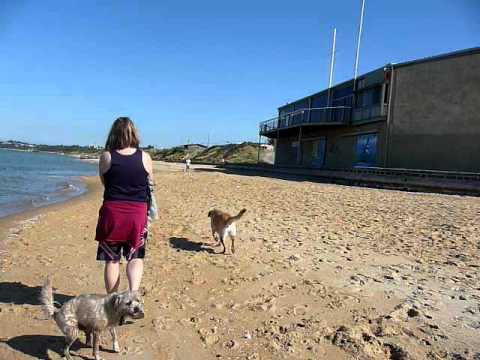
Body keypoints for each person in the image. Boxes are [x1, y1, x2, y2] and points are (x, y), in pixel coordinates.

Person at [95, 117, 154, 294]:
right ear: (134, 133)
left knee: (112, 260)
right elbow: (150, 183)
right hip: (137, 214)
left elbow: (105, 183)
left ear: (113, 134)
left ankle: (113, 301)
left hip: (112, 213)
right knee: (135, 256)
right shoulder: (145, 157)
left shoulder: (107, 156)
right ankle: (133, 296)